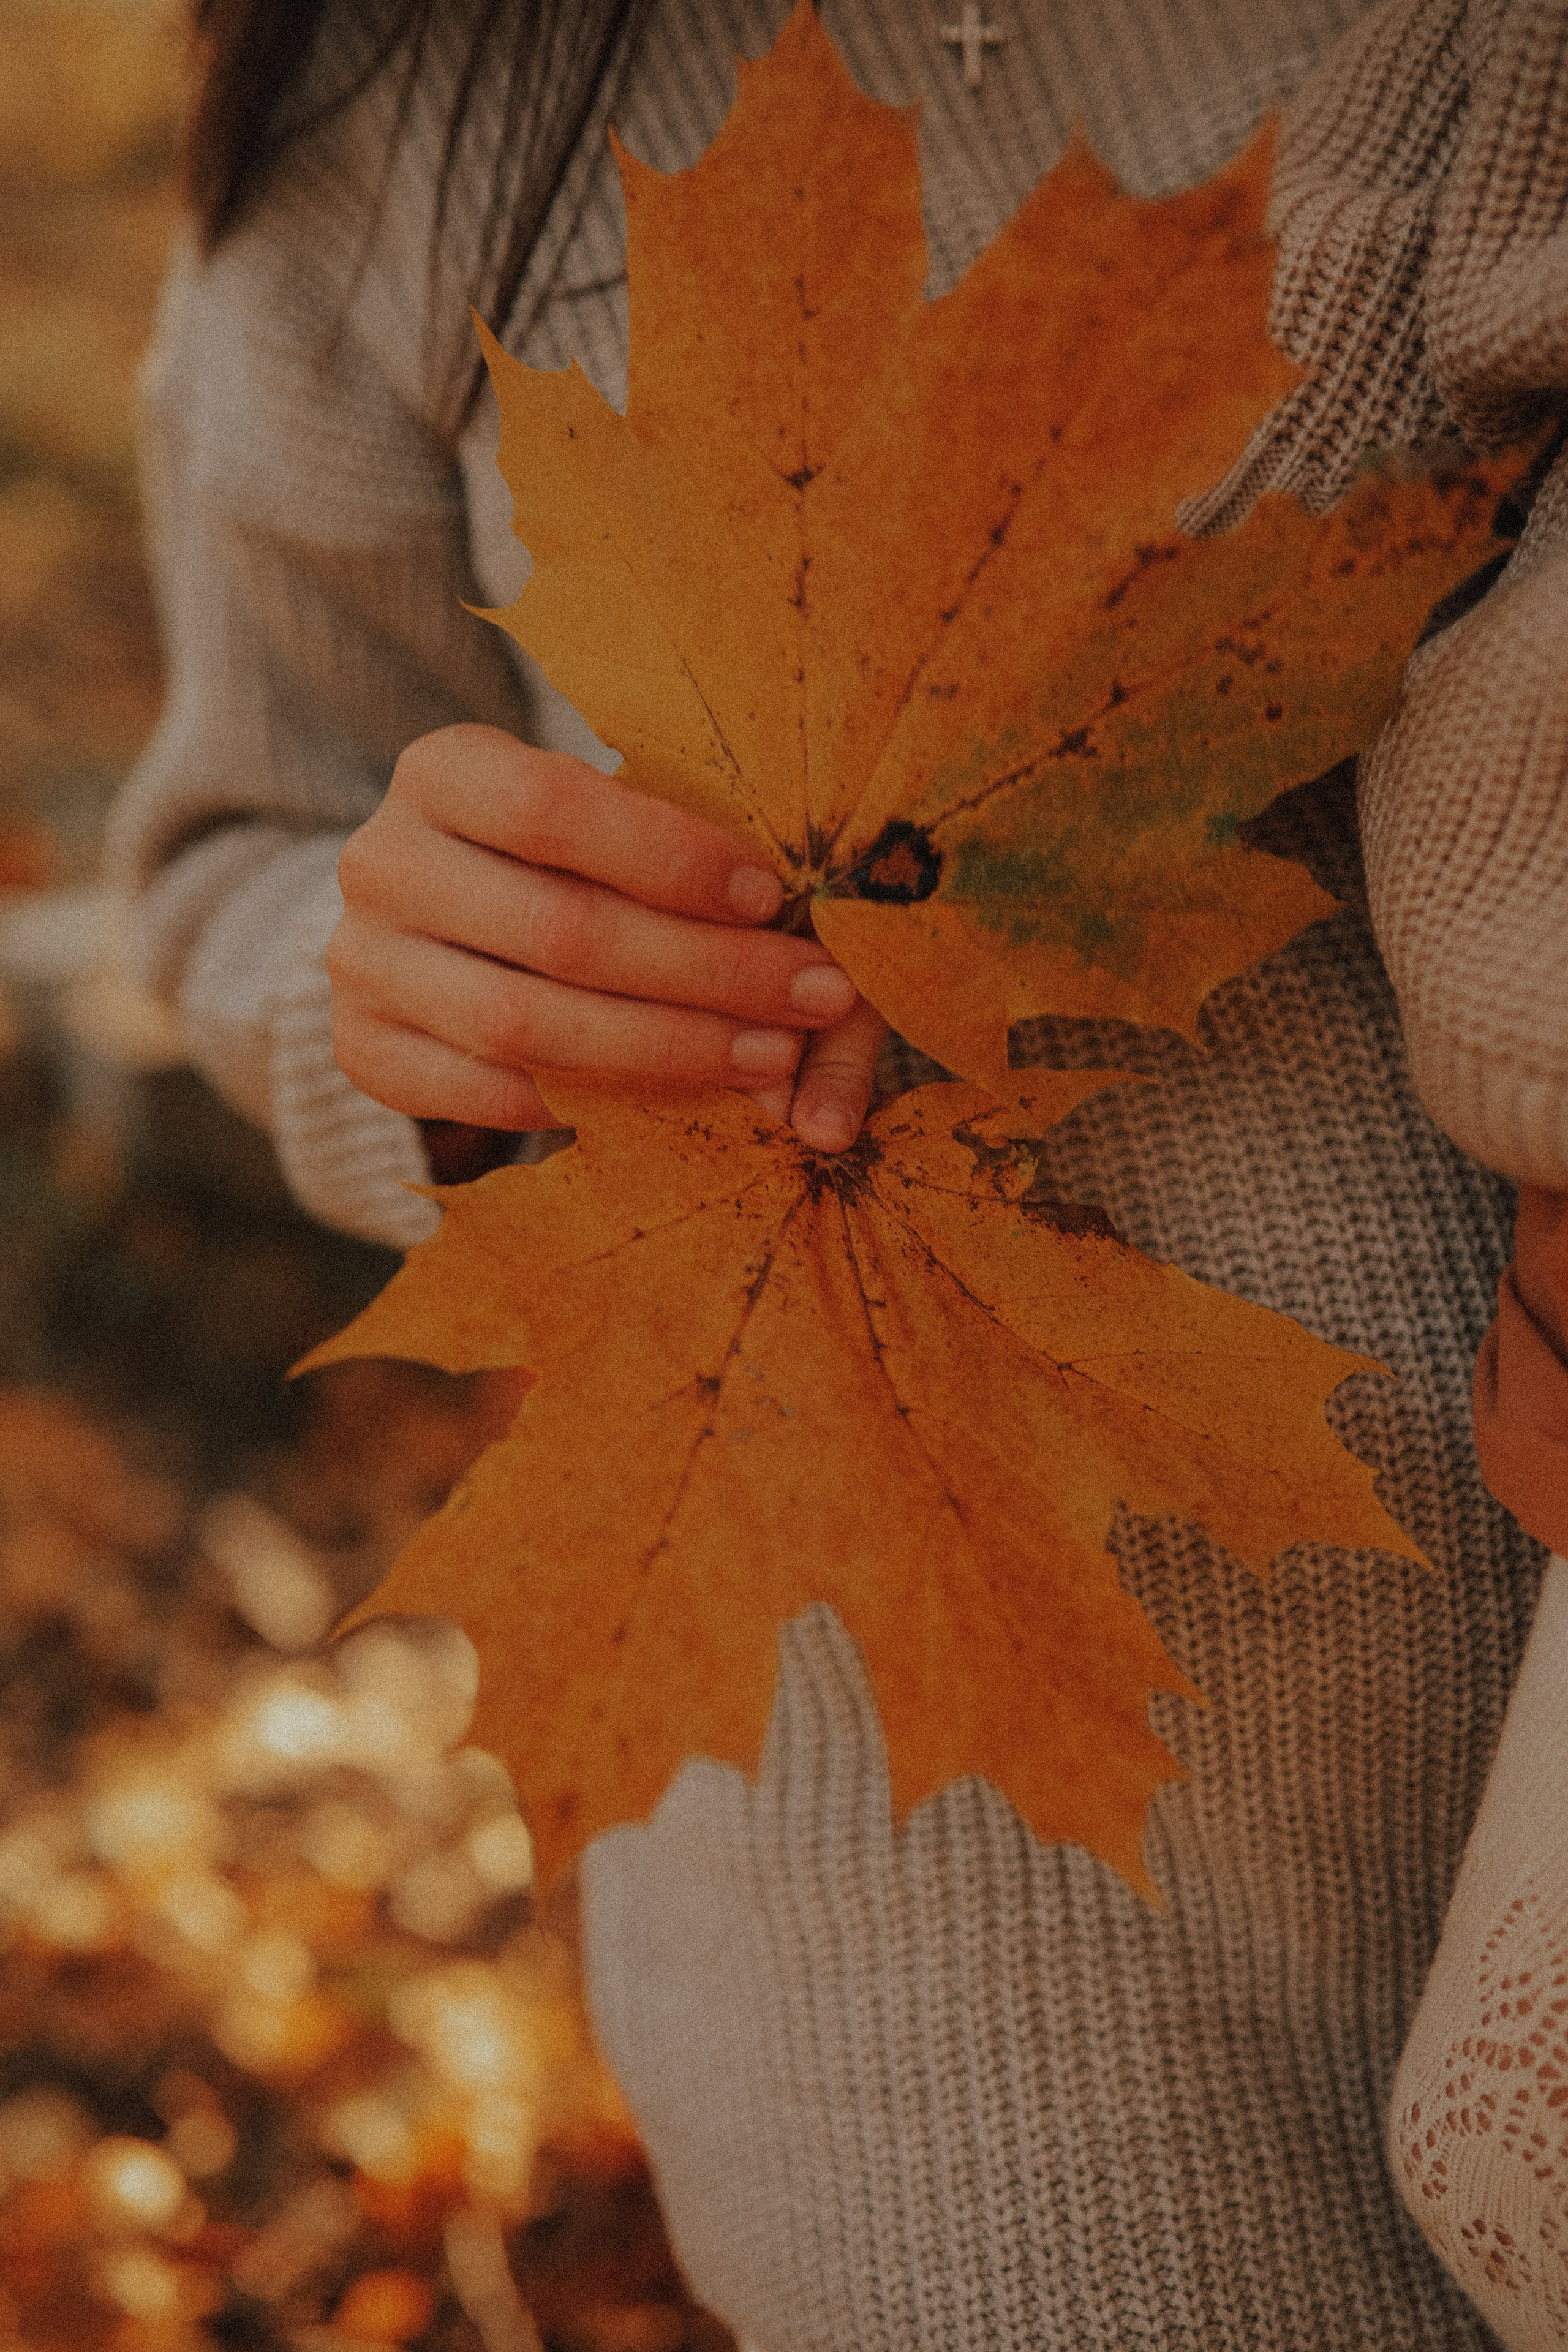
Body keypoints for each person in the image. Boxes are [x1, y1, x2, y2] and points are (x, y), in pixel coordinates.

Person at [109, 0, 1568, 2343]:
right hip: (912, 1968)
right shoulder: (414, 106)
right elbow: (236, 848)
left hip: (1519, 1697)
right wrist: (415, 1012)